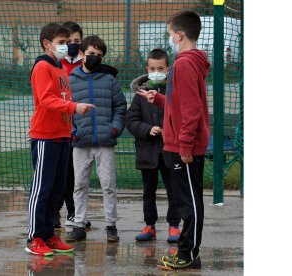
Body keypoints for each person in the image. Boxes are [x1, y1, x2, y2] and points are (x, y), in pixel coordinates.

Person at [136, 10, 211, 270]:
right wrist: (158, 98)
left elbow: (192, 110)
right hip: (177, 144)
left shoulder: (184, 64)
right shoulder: (187, 63)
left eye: (170, 35)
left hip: (182, 147)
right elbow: (180, 104)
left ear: (179, 35)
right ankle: (187, 253)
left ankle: (188, 254)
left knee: (189, 202)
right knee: (184, 200)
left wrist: (186, 145)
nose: (170, 39)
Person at [26, 22, 95, 256]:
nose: (67, 46)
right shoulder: (42, 67)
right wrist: (74, 107)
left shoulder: (60, 70)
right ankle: (34, 237)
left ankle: (48, 236)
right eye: (62, 43)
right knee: (42, 189)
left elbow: (62, 100)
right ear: (47, 44)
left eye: (68, 42)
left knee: (57, 189)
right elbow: (46, 100)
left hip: (62, 135)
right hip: (45, 135)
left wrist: (70, 123)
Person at [65, 35, 127, 242]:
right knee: (79, 185)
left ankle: (111, 225)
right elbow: (65, 110)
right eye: (91, 54)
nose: (95, 58)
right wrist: (73, 131)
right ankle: (79, 224)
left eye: (99, 55)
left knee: (108, 185)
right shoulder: (70, 80)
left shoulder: (109, 80)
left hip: (105, 142)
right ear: (81, 54)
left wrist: (115, 129)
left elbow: (120, 106)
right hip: (80, 142)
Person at [125, 48, 181, 243]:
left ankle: (174, 227)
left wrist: (169, 130)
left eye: (160, 68)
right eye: (152, 68)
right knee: (148, 191)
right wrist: (147, 129)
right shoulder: (140, 93)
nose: (156, 71)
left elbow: (181, 116)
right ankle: (150, 225)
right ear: (146, 69)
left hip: (170, 151)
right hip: (147, 151)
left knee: (173, 189)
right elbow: (131, 120)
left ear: (168, 69)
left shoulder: (175, 90)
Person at [54, 21, 92, 229]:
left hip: (81, 123)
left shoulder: (85, 62)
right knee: (61, 171)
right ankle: (55, 212)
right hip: (61, 122)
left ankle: (75, 212)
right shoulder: (56, 63)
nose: (72, 45)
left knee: (77, 173)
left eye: (77, 41)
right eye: (68, 41)